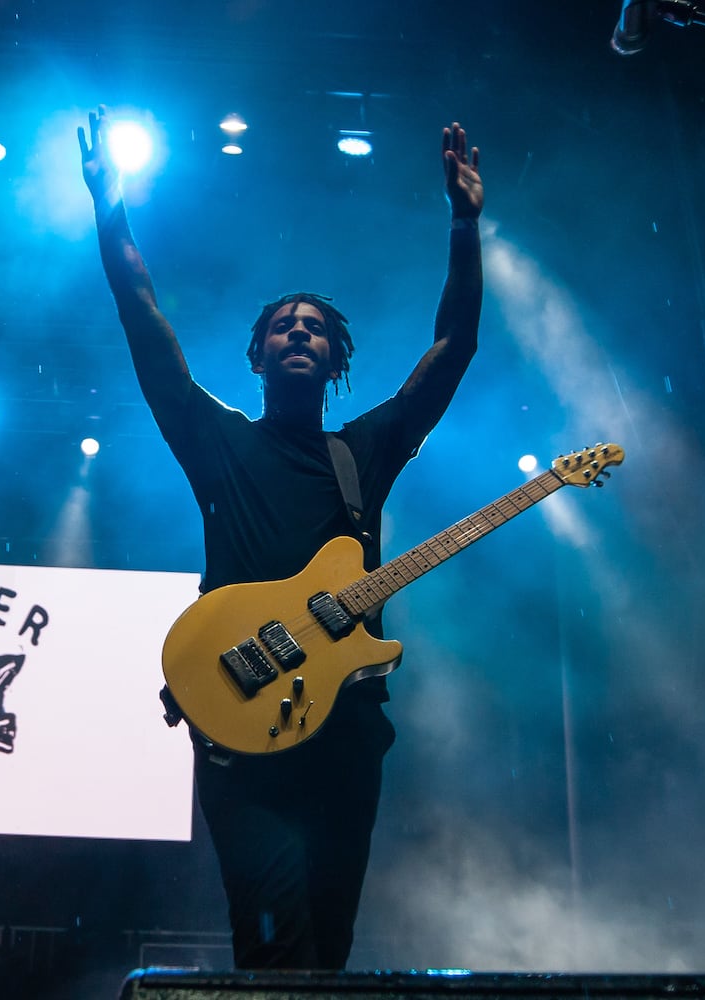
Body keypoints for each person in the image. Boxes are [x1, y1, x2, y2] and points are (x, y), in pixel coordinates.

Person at [78, 105, 483, 970]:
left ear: (336, 361)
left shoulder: (362, 452)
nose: (300, 332)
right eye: (283, 326)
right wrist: (111, 210)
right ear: (257, 355)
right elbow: (143, 317)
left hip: (346, 729)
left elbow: (452, 346)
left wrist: (464, 224)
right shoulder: (216, 439)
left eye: (316, 329)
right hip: (243, 719)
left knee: (328, 948)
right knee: (271, 940)